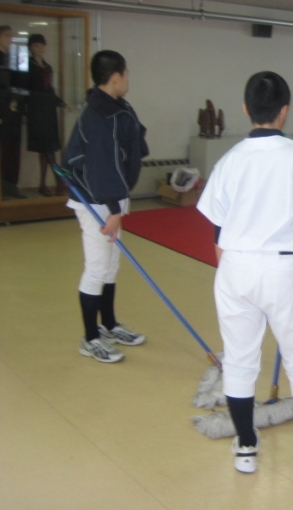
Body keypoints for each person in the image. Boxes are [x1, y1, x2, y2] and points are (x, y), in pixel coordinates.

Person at [196, 71, 293, 474]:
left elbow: (217, 225)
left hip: (235, 266)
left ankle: (246, 447)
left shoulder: (229, 160)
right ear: (285, 111)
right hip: (284, 269)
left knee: (240, 360)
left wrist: (230, 263)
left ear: (245, 108)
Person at [63, 50, 149, 363]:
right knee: (97, 268)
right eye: (126, 73)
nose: (128, 79)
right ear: (115, 78)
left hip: (112, 198)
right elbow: (101, 167)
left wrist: (117, 204)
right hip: (97, 201)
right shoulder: (99, 116)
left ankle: (109, 325)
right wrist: (113, 211)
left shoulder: (115, 106)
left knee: (111, 265)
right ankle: (90, 339)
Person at [26, 33, 68, 196]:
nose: (40, 49)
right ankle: (59, 182)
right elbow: (24, 89)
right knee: (47, 150)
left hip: (48, 111)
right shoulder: (28, 65)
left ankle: (43, 185)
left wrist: (61, 102)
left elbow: (50, 89)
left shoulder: (48, 67)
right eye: (36, 46)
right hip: (36, 110)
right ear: (31, 48)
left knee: (46, 151)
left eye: (42, 45)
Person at [0, 25, 27, 199]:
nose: (9, 39)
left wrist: (16, 100)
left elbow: (19, 83)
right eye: (6, 35)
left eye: (10, 35)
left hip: (13, 110)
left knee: (12, 149)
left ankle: (11, 185)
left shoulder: (12, 58)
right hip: (2, 109)